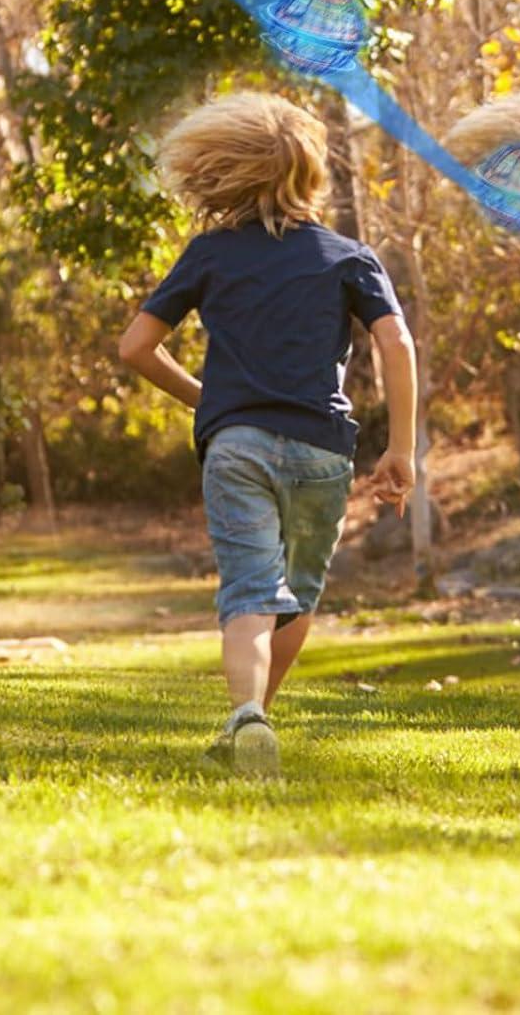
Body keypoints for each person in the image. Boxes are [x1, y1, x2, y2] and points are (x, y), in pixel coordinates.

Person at [119, 92, 416, 777]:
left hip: (238, 448)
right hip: (322, 451)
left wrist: (211, 401)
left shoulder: (210, 254)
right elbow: (397, 343)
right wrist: (400, 448)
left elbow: (135, 347)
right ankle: (254, 724)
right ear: (310, 173)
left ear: (227, 170)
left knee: (250, 592)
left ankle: (248, 720)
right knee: (297, 595)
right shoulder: (350, 256)